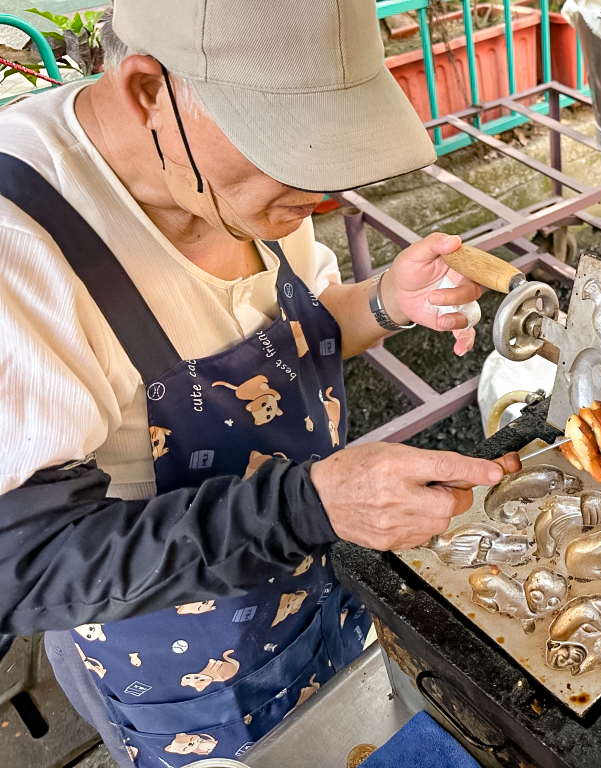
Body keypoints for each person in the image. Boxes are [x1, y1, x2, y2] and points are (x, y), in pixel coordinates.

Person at [0, 1, 518, 765]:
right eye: (296, 148)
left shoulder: (231, 176)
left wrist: (386, 303)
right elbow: (30, 566)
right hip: (185, 671)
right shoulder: (22, 254)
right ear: (149, 91)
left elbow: (295, 334)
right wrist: (310, 504)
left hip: (317, 593)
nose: (329, 191)